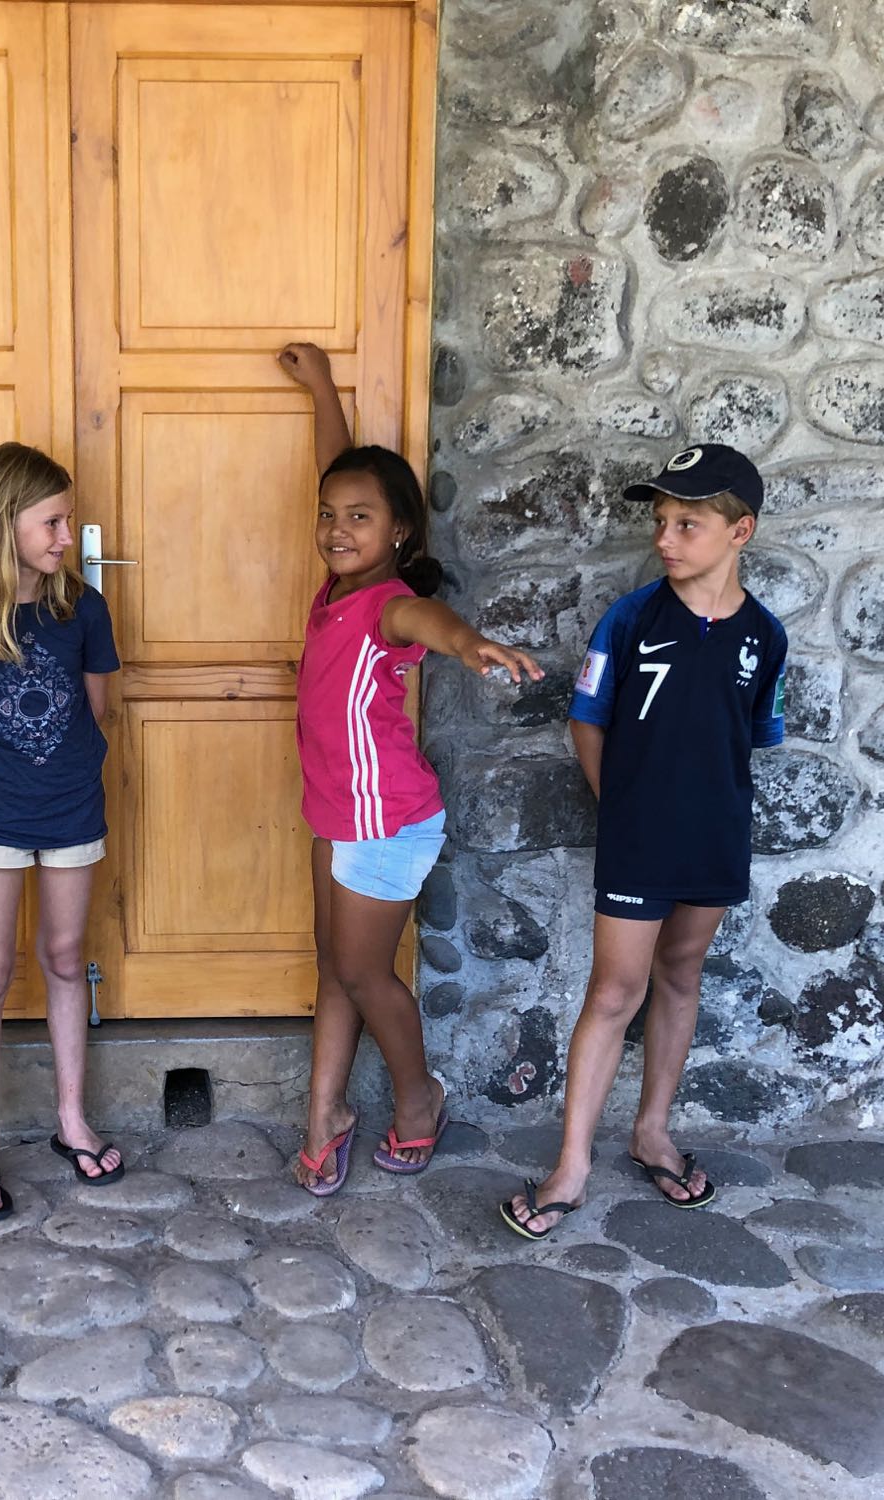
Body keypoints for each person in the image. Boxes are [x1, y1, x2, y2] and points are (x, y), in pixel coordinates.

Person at [500, 444, 788, 1240]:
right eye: (661, 521)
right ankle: (570, 1166)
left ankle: (651, 1131)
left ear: (740, 532)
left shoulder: (765, 637)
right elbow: (586, 720)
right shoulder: (630, 619)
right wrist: (622, 806)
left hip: (716, 837)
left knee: (681, 976)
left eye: (687, 524)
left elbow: (749, 736)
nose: (665, 538)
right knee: (613, 992)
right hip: (638, 838)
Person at [277, 343, 541, 1197]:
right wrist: (323, 388)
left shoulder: (390, 605)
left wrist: (471, 644)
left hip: (387, 819)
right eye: (328, 515)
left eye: (360, 518)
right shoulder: (335, 590)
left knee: (362, 973)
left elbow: (434, 622)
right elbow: (341, 470)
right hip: (337, 809)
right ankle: (326, 1115)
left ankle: (418, 1096)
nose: (337, 529)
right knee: (334, 964)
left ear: (398, 531)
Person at [0, 442, 126, 1220]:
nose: (67, 536)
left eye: (68, 521)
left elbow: (100, 709)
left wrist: (55, 770)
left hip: (72, 807)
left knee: (67, 958)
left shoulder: (84, 611)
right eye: (52, 522)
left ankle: (71, 1121)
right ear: (1, 523)